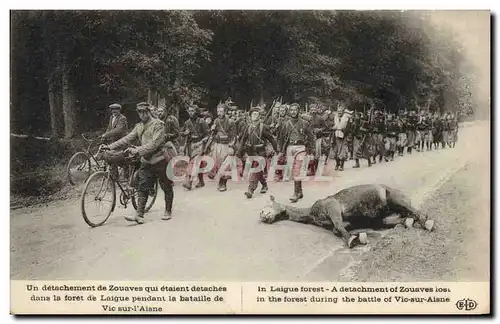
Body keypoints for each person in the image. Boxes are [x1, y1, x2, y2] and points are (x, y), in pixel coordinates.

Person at [104, 102, 174, 223]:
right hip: (146, 160)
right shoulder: (139, 126)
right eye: (139, 112)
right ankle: (139, 215)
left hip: (160, 160)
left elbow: (154, 144)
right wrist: (110, 147)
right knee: (142, 186)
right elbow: (127, 138)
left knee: (166, 186)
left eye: (144, 112)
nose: (142, 114)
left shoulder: (158, 125)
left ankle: (168, 210)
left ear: (149, 112)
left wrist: (137, 150)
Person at [278, 103, 314, 203]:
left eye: (295, 110)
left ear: (299, 111)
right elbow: (281, 138)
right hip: (290, 147)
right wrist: (280, 150)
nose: (293, 112)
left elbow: (311, 137)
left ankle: (295, 193)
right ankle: (300, 191)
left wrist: (312, 151)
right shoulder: (286, 124)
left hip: (301, 147)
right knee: (293, 169)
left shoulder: (304, 123)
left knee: (297, 169)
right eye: (292, 110)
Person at [237, 107, 277, 199]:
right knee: (258, 171)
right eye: (252, 114)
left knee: (255, 170)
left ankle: (250, 190)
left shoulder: (263, 127)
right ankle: (264, 185)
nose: (254, 116)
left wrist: (276, 149)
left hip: (261, 152)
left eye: (256, 114)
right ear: (250, 116)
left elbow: (271, 138)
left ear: (259, 116)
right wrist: (239, 151)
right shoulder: (248, 127)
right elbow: (243, 140)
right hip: (251, 152)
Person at [209, 102, 236, 191]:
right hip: (218, 145)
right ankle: (220, 181)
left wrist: (231, 146)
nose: (219, 113)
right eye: (218, 111)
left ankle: (223, 183)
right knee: (219, 164)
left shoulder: (231, 122)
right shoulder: (216, 121)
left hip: (226, 145)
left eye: (221, 111)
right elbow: (213, 134)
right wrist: (212, 129)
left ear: (225, 112)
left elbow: (234, 136)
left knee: (225, 165)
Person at [181, 104, 209, 190]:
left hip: (200, 144)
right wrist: (185, 133)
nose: (190, 112)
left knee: (194, 162)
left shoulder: (202, 122)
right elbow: (181, 133)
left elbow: (208, 134)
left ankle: (189, 181)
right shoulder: (187, 123)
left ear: (196, 112)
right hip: (191, 145)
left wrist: (203, 141)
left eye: (192, 111)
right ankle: (201, 181)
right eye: (189, 111)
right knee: (197, 163)